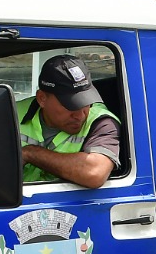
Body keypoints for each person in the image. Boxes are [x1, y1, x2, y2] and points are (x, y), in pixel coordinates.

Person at [18, 55, 122, 189]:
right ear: (42, 98)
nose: (80, 115)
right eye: (70, 105)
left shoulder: (101, 122)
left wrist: (31, 153)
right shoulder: (10, 112)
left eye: (86, 103)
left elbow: (94, 173)